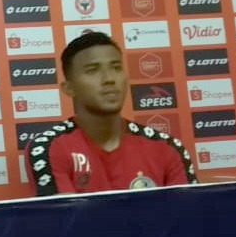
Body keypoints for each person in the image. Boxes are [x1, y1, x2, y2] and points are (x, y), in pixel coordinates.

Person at [25, 32, 196, 196]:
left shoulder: (166, 147)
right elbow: (66, 216)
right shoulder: (49, 148)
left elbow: (187, 213)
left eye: (116, 68)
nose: (109, 79)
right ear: (69, 88)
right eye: (93, 70)